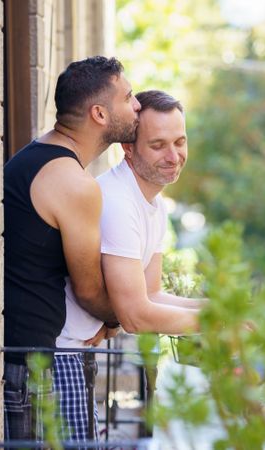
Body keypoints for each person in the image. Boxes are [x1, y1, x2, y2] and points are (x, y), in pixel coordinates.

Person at [2, 56, 140, 442]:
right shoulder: (74, 184)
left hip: (26, 356)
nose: (137, 105)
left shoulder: (38, 155)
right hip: (32, 365)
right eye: (128, 97)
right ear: (99, 113)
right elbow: (89, 290)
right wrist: (118, 317)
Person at [54, 90, 204, 441]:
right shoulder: (118, 202)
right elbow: (137, 316)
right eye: (158, 145)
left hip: (82, 351)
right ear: (129, 148)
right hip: (59, 355)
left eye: (180, 141)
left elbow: (151, 293)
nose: (174, 156)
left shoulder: (155, 205)